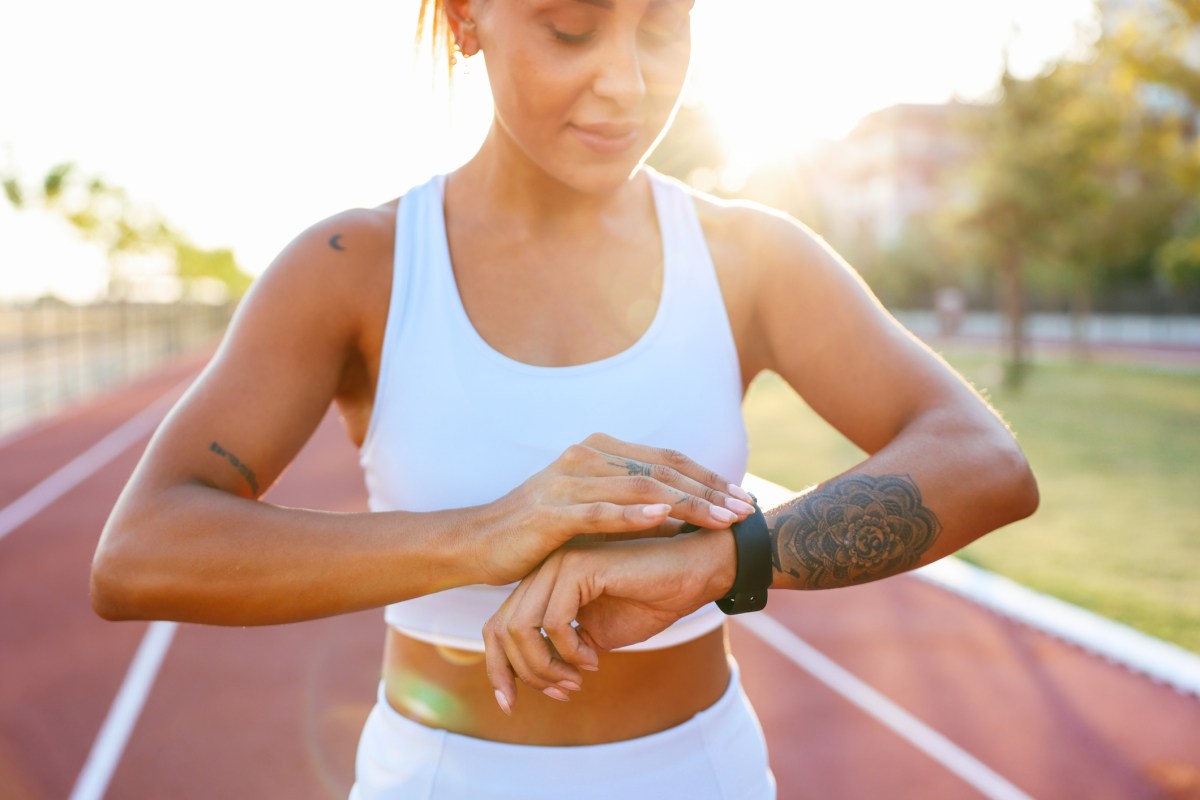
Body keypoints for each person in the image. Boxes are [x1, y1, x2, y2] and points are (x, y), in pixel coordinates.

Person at [90, 0, 1039, 797]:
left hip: (701, 773)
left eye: (662, 28)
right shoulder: (356, 268)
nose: (627, 82)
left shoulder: (748, 254)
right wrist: (484, 533)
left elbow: (983, 461)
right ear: (469, 19)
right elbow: (140, 551)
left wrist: (720, 561)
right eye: (573, 29)